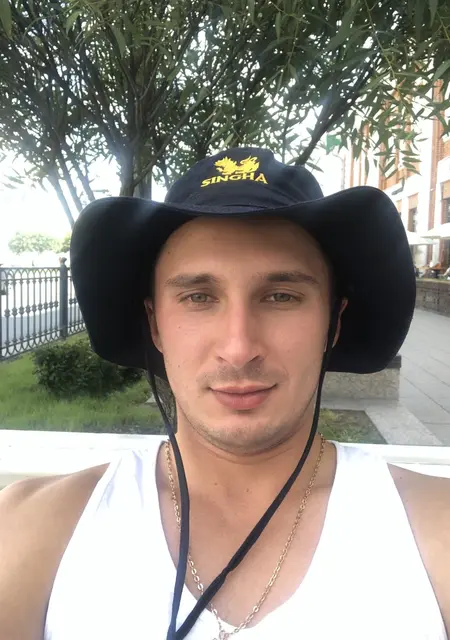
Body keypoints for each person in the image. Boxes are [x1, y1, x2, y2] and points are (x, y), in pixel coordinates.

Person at [0, 148, 449, 640]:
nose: (238, 348)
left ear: (333, 323)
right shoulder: (31, 531)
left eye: (281, 296)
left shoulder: (435, 533)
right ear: (155, 324)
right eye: (198, 297)